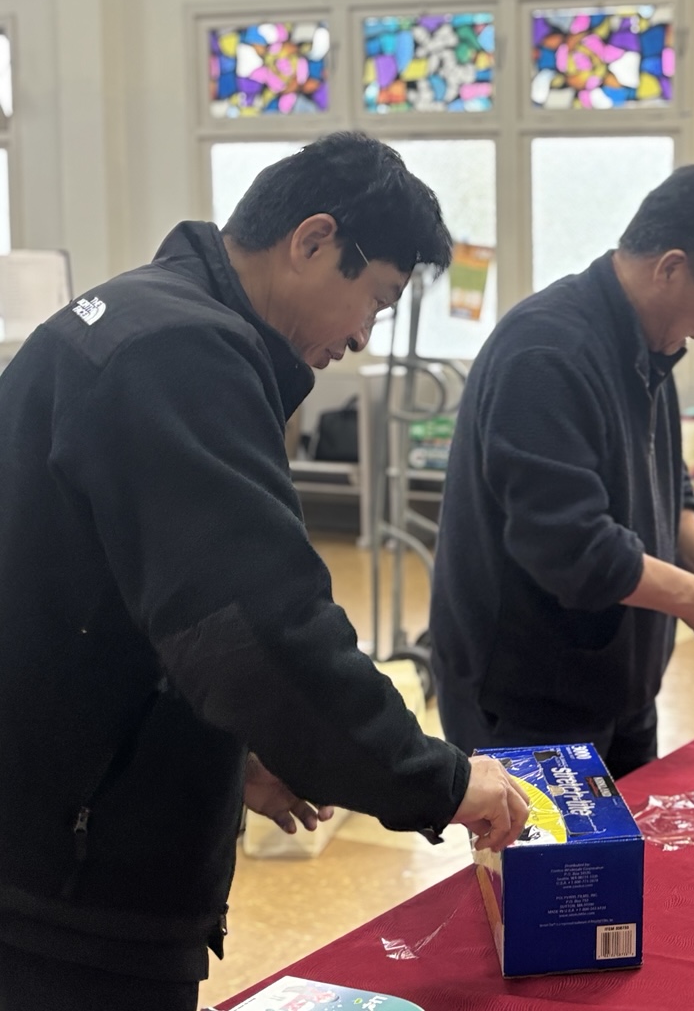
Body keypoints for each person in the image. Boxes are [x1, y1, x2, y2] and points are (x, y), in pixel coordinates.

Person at [0, 133, 529, 1010]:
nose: (362, 337)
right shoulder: (180, 355)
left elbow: (123, 593)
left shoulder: (137, 316)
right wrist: (440, 779)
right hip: (73, 875)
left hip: (61, 814)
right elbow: (259, 626)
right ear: (314, 240)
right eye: (375, 300)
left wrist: (235, 746)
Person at [429, 161, 694, 779]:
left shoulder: (652, 342)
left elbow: (671, 490)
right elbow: (573, 549)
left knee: (626, 871)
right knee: (546, 876)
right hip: (530, 700)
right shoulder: (547, 353)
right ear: (670, 267)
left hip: (618, 687)